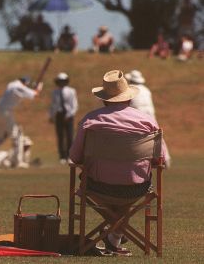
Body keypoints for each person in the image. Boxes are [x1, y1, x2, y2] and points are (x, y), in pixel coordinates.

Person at [69, 70, 169, 255]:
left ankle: (113, 232)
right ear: (129, 99)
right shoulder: (147, 121)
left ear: (104, 99)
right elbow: (159, 159)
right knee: (126, 191)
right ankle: (114, 235)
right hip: (136, 188)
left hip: (97, 187)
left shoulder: (90, 120)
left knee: (87, 183)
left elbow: (75, 157)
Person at [0, 77, 43, 167]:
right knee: (17, 135)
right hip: (6, 112)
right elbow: (35, 95)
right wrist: (39, 88)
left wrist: (31, 89)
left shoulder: (12, 84)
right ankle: (18, 161)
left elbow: (25, 92)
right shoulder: (19, 87)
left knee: (0, 138)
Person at [125, 70, 172, 167]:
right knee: (158, 136)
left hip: (138, 114)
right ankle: (165, 158)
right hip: (150, 114)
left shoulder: (131, 89)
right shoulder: (146, 90)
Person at [49, 72, 78, 164]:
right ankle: (62, 156)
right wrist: (52, 116)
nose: (61, 83)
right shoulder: (55, 92)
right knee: (60, 136)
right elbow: (53, 105)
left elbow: (74, 105)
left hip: (68, 115)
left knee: (70, 136)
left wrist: (69, 115)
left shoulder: (71, 91)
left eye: (63, 81)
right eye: (60, 81)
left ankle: (70, 156)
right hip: (59, 115)